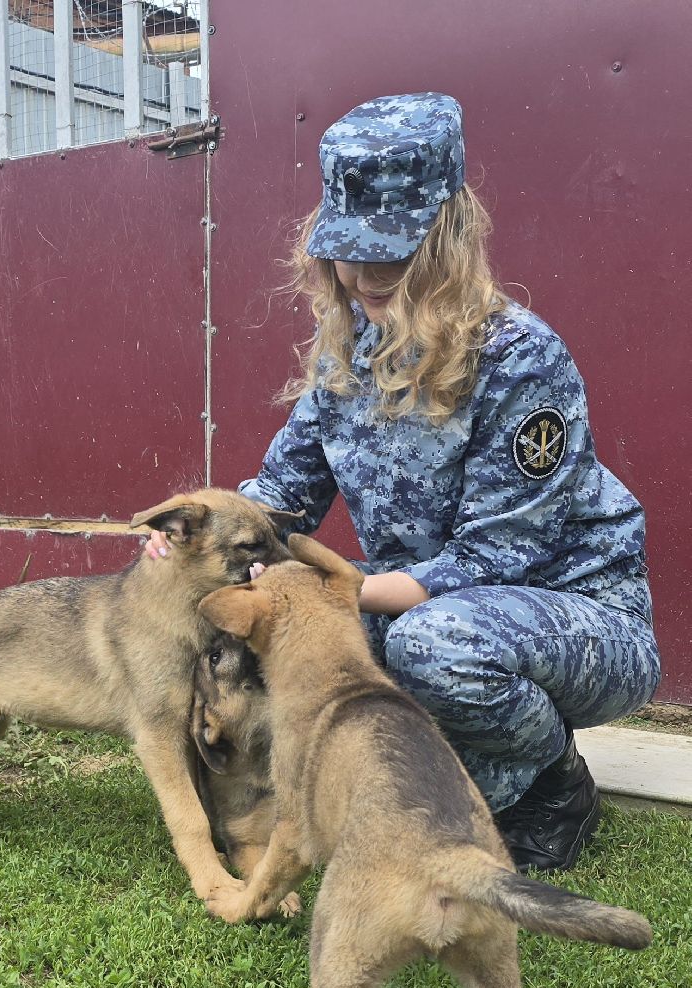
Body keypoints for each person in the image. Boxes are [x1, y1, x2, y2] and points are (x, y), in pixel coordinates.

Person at [146, 92, 660, 872]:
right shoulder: (347, 351)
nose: (362, 272)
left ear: (447, 238)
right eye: (345, 247)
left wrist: (331, 596)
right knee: (305, 635)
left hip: (576, 619)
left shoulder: (520, 357)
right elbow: (279, 499)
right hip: (422, 602)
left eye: (389, 248)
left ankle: (554, 785)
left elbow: (495, 558)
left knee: (428, 645)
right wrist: (191, 542)